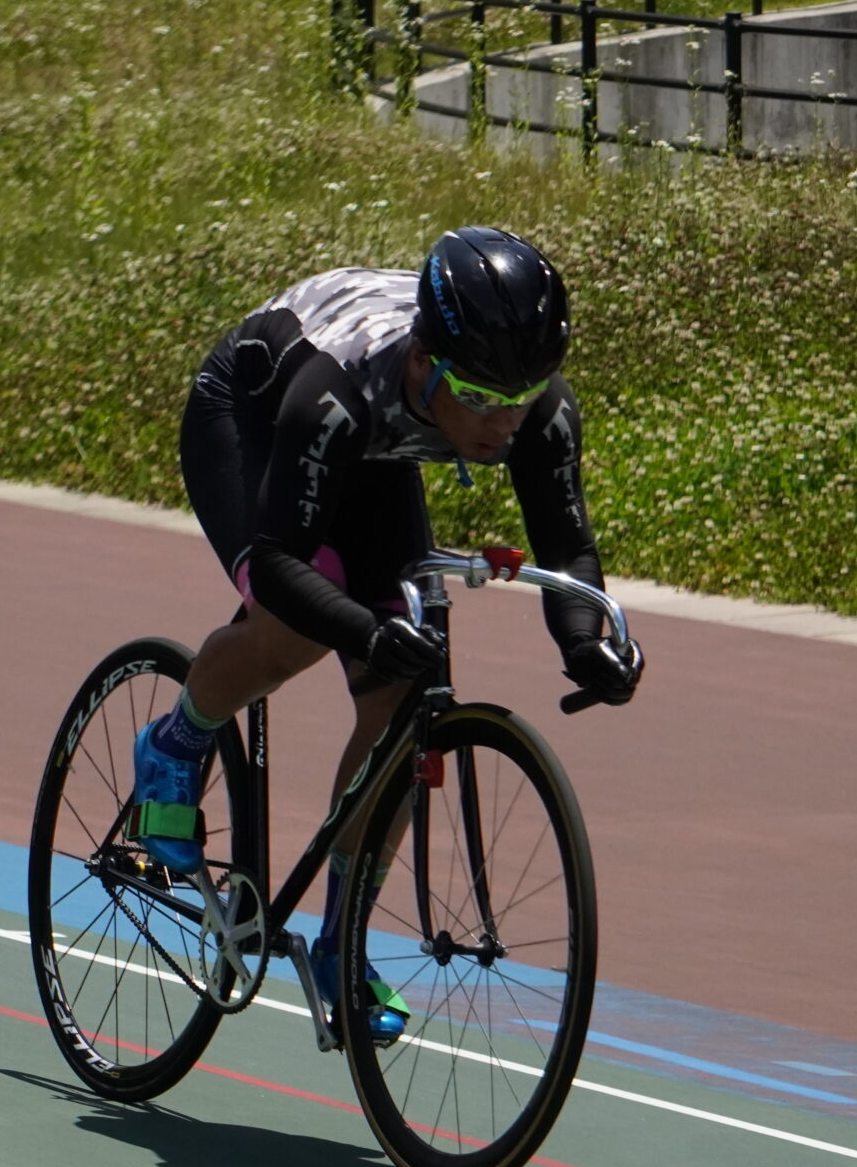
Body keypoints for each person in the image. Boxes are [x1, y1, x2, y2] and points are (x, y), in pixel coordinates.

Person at [138, 225, 643, 1041]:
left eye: (520, 398)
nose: (503, 421)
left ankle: (342, 944)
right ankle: (175, 742)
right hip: (256, 414)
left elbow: (567, 548)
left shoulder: (534, 404)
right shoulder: (335, 387)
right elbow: (279, 562)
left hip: (378, 446)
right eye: (479, 397)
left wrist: (586, 640)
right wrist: (362, 632)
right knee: (296, 623)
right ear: (421, 363)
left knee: (403, 703)